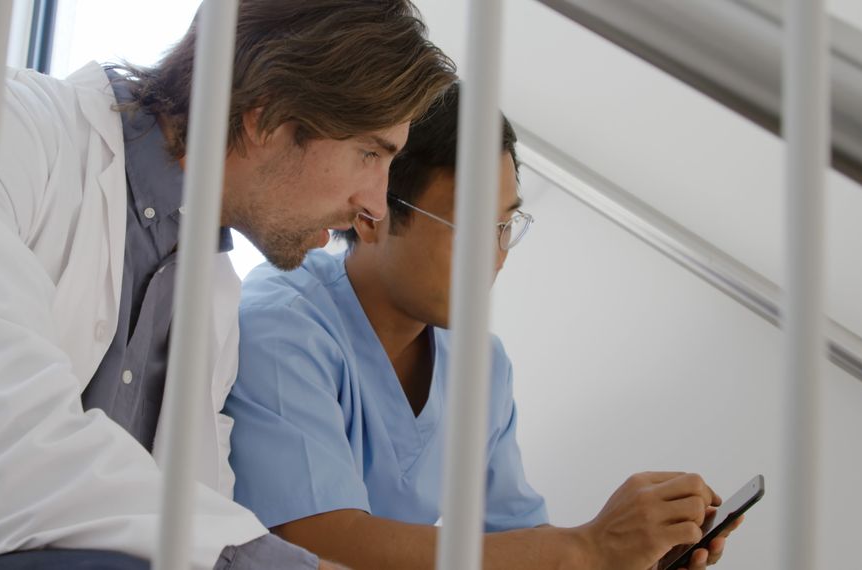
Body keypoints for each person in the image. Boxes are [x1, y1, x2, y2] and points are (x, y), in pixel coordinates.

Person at [0, 1, 456, 568]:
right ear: (268, 116)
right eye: (371, 154)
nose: (376, 204)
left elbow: (189, 518)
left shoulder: (213, 298)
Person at [225, 83, 742, 569]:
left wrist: (625, 557)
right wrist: (583, 548)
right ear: (371, 213)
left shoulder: (480, 367)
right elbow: (319, 541)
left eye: (505, 226)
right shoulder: (280, 325)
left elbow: (518, 542)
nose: (495, 257)